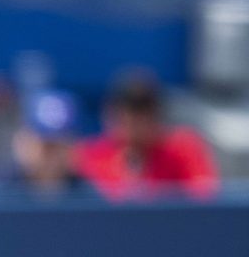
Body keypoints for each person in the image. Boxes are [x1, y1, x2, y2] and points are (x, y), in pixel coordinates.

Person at [76, 69, 219, 200]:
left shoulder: (183, 149)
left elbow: (204, 198)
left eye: (143, 113)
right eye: (126, 114)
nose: (134, 124)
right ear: (109, 114)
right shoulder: (91, 156)